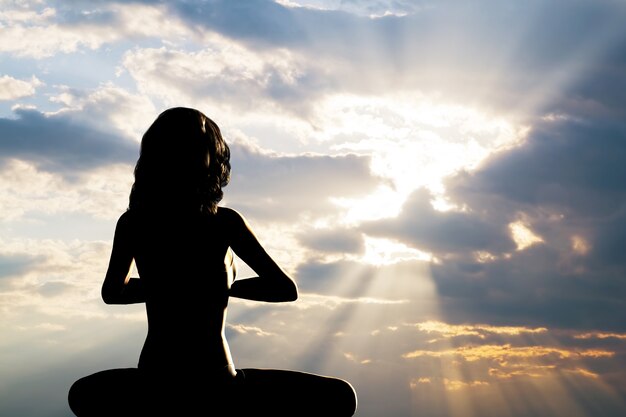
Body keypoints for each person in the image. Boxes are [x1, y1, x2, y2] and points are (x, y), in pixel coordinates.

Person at [67, 107, 358, 416]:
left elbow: (115, 292)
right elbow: (282, 288)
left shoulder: (136, 222)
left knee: (341, 396)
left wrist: (176, 287)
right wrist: (214, 287)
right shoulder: (221, 223)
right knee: (339, 397)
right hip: (209, 375)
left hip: (169, 373)